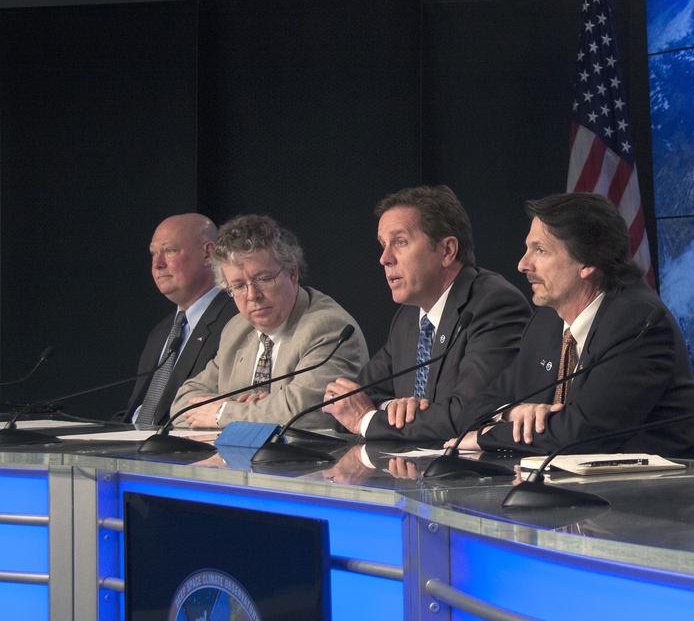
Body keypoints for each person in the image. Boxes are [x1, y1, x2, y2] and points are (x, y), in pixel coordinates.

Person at [454, 192, 694, 457]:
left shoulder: (638, 320)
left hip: (647, 492)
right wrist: (514, 412)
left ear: (588, 262)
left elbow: (582, 434)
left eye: (540, 250)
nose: (523, 264)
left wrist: (486, 437)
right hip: (570, 487)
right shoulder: (547, 321)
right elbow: (476, 405)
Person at [324, 186, 530, 442]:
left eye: (400, 242)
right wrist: (391, 408)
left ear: (447, 251)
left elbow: (466, 416)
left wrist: (367, 419)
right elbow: (344, 405)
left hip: (469, 476)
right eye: (383, 245)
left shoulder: (494, 305)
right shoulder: (408, 319)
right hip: (409, 473)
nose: (384, 258)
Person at [170, 214, 368, 428]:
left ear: (292, 274)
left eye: (263, 279)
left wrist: (222, 413)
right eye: (238, 286)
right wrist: (234, 406)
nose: (252, 295)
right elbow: (182, 405)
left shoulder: (328, 328)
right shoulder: (237, 329)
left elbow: (305, 414)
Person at [124, 214, 237, 426]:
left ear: (208, 254)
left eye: (170, 251)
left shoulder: (235, 321)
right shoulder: (162, 332)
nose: (157, 264)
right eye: (153, 254)